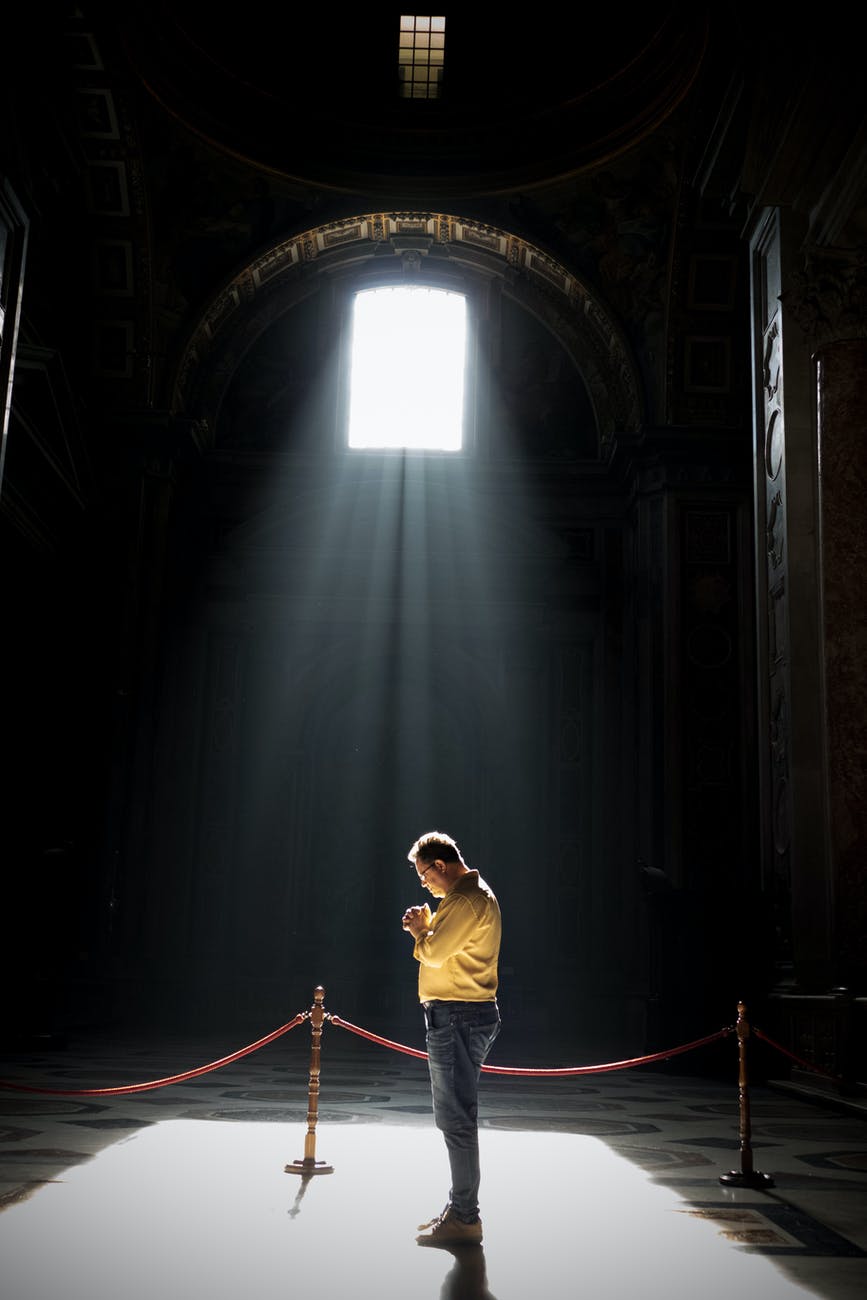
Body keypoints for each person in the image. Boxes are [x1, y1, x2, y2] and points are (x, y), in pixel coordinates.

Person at [402, 830, 502, 1246]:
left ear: (441, 865)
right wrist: (429, 925)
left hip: (457, 1016)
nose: (425, 884)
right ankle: (460, 1210)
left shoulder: (464, 900)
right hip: (464, 1014)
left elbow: (435, 953)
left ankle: (465, 1217)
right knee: (457, 1116)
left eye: (425, 875)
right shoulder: (468, 896)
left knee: (455, 1119)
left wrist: (420, 930)